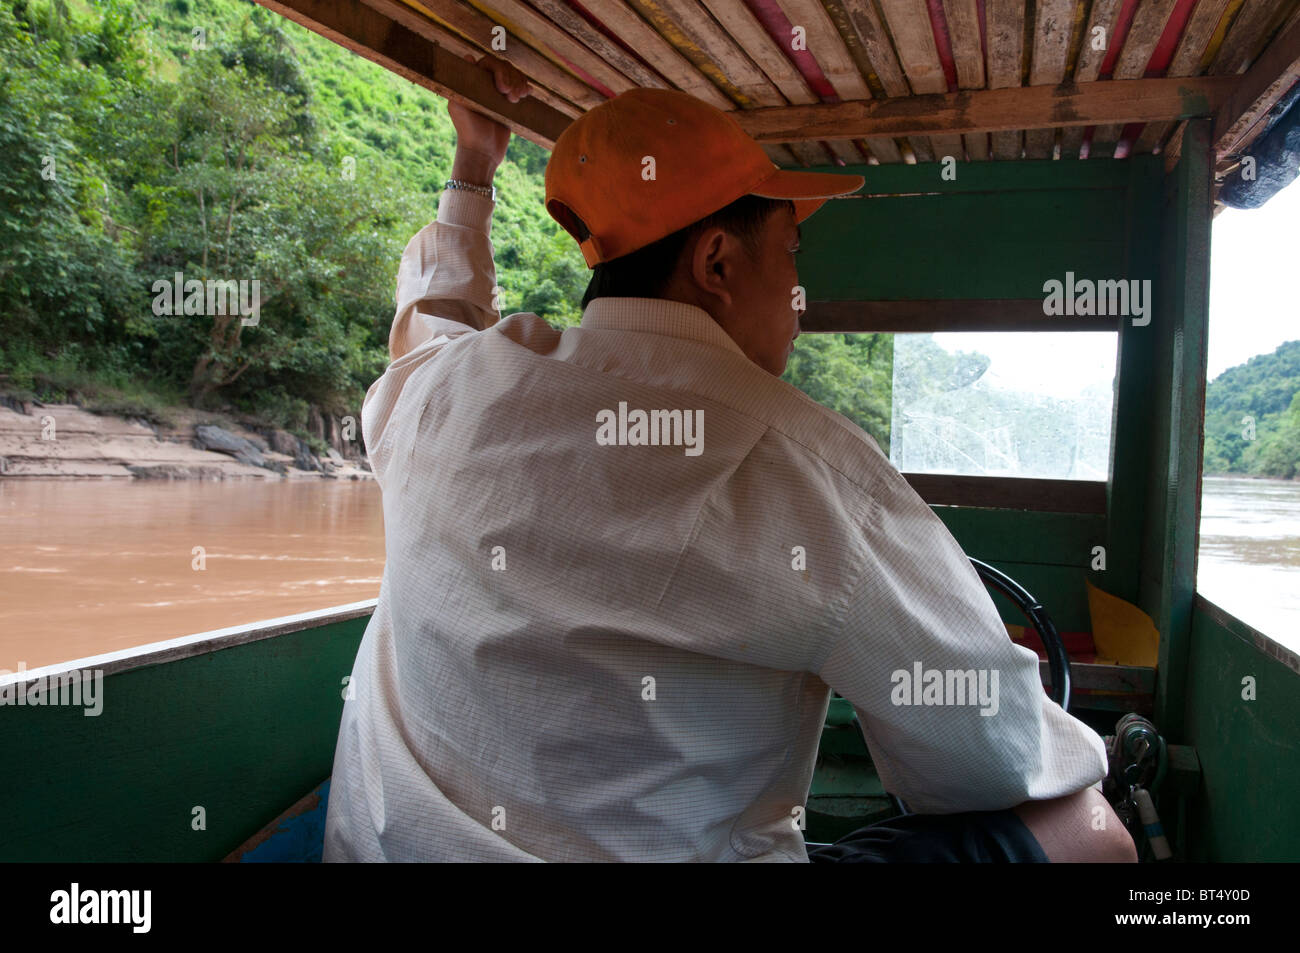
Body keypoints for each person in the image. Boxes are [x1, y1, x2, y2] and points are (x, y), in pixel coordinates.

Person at [322, 53, 1136, 863]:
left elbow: (430, 322)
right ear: (716, 262)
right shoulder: (810, 467)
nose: (797, 300)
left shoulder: (447, 393)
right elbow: (991, 758)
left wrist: (473, 164)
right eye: (791, 256)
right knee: (1091, 832)